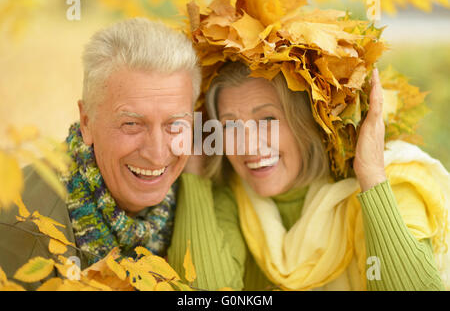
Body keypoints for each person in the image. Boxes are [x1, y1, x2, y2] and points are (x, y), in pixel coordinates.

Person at [168, 61, 449, 291]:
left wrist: (372, 177)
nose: (247, 145)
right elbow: (200, 292)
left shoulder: (395, 179)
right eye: (229, 126)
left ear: (311, 120)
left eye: (267, 119)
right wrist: (194, 169)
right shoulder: (231, 193)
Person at [0, 17, 201, 290]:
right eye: (131, 124)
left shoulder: (195, 198)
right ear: (87, 122)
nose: (156, 154)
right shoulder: (20, 229)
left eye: (175, 124)